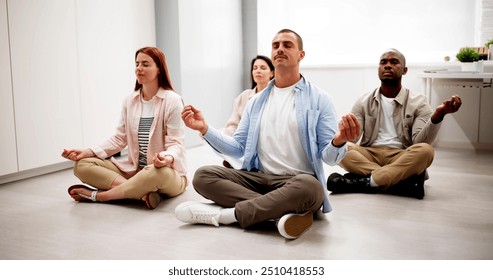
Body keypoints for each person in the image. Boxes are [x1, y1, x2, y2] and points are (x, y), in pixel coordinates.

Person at [175, 29, 360, 239]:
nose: (280, 49)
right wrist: (204, 129)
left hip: (296, 182)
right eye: (275, 45)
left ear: (301, 55)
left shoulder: (320, 99)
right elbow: (238, 148)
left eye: (287, 45)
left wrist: (338, 141)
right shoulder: (255, 102)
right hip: (258, 179)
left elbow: (329, 157)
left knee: (312, 188)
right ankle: (279, 212)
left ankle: (227, 215)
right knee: (203, 176)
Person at [62, 46, 187, 209]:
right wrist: (88, 152)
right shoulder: (130, 101)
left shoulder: (173, 100)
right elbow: (120, 139)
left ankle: (101, 196)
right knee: (82, 164)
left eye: (145, 64)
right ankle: (141, 193)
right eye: (137, 64)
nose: (139, 68)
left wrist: (167, 158)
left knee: (158, 173)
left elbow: (176, 144)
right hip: (136, 172)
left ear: (159, 69)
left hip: (165, 173)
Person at [327, 48, 462, 199]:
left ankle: (363, 182)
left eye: (394, 62)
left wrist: (439, 115)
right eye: (383, 62)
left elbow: (420, 141)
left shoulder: (419, 102)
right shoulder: (363, 101)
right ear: (378, 69)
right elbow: (352, 140)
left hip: (402, 155)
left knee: (426, 151)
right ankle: (401, 181)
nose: (388, 65)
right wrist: (345, 131)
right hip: (370, 154)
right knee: (340, 149)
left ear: (404, 70)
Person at [220, 55, 275, 169]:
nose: (258, 71)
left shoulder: (276, 96)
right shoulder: (244, 96)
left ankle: (240, 165)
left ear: (272, 73)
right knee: (220, 136)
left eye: (263, 68)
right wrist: (219, 136)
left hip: (268, 147)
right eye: (255, 68)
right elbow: (233, 126)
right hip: (244, 144)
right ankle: (238, 163)